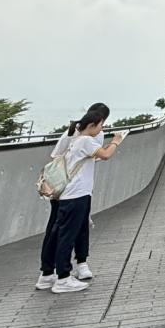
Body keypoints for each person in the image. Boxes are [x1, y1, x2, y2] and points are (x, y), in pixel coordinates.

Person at [36, 105, 125, 293]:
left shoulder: (75, 138)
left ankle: (48, 274)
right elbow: (106, 155)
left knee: (60, 233)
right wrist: (116, 141)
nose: (102, 128)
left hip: (65, 192)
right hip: (76, 194)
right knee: (67, 236)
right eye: (101, 125)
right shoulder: (86, 140)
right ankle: (63, 278)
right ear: (92, 124)